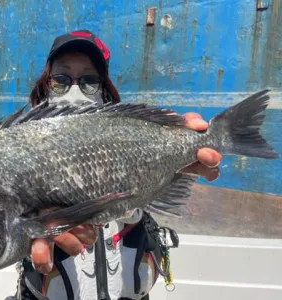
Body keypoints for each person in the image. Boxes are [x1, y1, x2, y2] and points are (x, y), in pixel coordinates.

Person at [11, 30, 222, 300]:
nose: (75, 90)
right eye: (62, 79)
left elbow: (153, 195)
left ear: (104, 90)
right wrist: (32, 228)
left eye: (88, 81)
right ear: (46, 84)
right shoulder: (24, 145)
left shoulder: (125, 138)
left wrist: (185, 155)